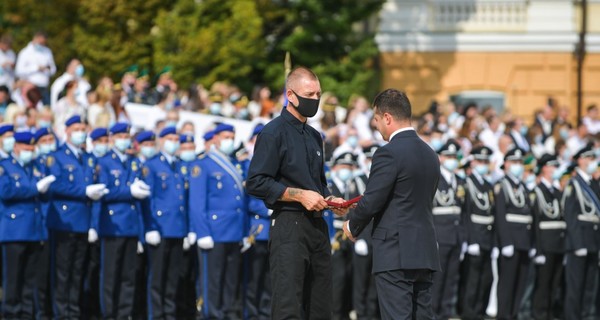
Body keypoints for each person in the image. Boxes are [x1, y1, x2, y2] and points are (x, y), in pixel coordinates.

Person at [246, 66, 347, 319]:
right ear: (291, 95)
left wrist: (331, 199)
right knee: (288, 305)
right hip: (288, 225)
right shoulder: (272, 132)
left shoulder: (315, 136)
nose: (315, 100)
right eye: (309, 94)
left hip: (318, 225)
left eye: (318, 94)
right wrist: (299, 195)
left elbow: (318, 183)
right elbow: (256, 182)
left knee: (321, 305)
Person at [342, 88, 441, 319]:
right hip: (424, 250)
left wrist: (352, 225)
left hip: (395, 252)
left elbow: (372, 199)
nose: (376, 126)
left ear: (387, 117)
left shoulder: (388, 153)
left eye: (376, 119)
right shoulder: (430, 154)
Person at [45, 115, 109, 318]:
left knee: (77, 272)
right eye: (77, 128)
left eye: (83, 128)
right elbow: (55, 184)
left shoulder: (88, 158)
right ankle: (62, 313)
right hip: (65, 221)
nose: (81, 132)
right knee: (62, 272)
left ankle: (73, 311)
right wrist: (83, 191)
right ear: (67, 131)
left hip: (82, 221)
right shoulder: (57, 156)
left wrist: (92, 224)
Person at [189, 123, 247, 319]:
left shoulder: (235, 164)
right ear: (214, 139)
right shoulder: (203, 164)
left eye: (231, 136)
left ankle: (227, 314)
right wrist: (202, 232)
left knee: (230, 282)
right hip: (214, 232)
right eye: (225, 136)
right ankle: (211, 315)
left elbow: (241, 202)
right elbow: (197, 204)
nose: (229, 140)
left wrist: (245, 232)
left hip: (234, 231)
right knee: (211, 282)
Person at [94, 123, 150, 319]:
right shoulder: (104, 162)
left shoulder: (134, 162)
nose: (124, 139)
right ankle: (109, 314)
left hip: (131, 225)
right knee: (110, 275)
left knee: (128, 276)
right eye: (119, 135)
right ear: (112, 138)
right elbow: (103, 191)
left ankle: (124, 313)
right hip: (113, 225)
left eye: (126, 135)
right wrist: (129, 192)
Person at [0, 131, 55, 319]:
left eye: (32, 148)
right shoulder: (5, 166)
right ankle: (10, 315)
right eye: (26, 147)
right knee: (13, 280)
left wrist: (46, 188)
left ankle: (26, 315)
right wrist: (34, 188)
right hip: (14, 231)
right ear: (16, 148)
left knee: (29, 281)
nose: (29, 151)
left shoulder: (36, 166)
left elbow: (45, 195)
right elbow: (6, 191)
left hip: (34, 230)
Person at [141, 126, 189, 319]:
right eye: (169, 138)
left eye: (176, 138)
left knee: (172, 278)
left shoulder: (179, 165)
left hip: (177, 228)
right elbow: (148, 199)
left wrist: (187, 229)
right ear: (161, 140)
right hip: (159, 228)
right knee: (157, 278)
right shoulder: (151, 165)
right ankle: (156, 315)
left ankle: (169, 314)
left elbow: (183, 200)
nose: (174, 142)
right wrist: (150, 227)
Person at [494, 148, 535, 320]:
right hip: (510, 241)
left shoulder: (523, 187)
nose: (518, 166)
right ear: (507, 164)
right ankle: (504, 315)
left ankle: (514, 314)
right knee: (507, 284)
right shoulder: (501, 185)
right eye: (515, 163)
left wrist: (532, 243)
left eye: (520, 163)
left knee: (520, 283)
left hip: (524, 241)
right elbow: (500, 216)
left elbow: (529, 217)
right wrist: (506, 242)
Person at [563, 143, 600, 320]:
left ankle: (587, 316)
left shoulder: (595, 184)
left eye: (594, 158)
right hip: (579, 242)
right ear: (581, 160)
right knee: (575, 286)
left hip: (593, 241)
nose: (593, 162)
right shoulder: (574, 184)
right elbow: (571, 216)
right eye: (590, 158)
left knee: (589, 286)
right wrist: (577, 243)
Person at [459, 146, 495, 320]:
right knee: (472, 279)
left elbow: (492, 214)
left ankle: (480, 311)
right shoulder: (467, 183)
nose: (483, 164)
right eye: (480, 161)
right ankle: (469, 312)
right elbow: (465, 213)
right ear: (473, 162)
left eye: (486, 162)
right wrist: (470, 239)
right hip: (475, 236)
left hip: (487, 237)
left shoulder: (488, 185)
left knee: (486, 278)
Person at [431, 140, 465, 320]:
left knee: (452, 279)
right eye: (448, 156)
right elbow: (429, 210)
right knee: (437, 280)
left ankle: (445, 314)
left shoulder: (459, 180)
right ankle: (434, 314)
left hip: (456, 237)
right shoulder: (434, 179)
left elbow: (463, 212)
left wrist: (463, 238)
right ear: (441, 157)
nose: (451, 160)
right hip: (440, 236)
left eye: (454, 157)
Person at [531, 154, 565, 320]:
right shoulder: (538, 191)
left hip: (559, 243)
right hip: (545, 243)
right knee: (543, 284)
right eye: (553, 166)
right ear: (544, 168)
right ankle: (540, 314)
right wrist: (538, 249)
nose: (555, 170)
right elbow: (536, 222)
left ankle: (550, 313)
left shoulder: (558, 192)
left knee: (555, 283)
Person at [15, 31, 56, 105]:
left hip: (44, 88)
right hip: (30, 88)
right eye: (40, 43)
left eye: (43, 43)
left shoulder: (47, 51)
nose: (42, 45)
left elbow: (53, 69)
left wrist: (47, 69)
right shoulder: (25, 52)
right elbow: (18, 71)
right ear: (35, 38)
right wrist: (36, 68)